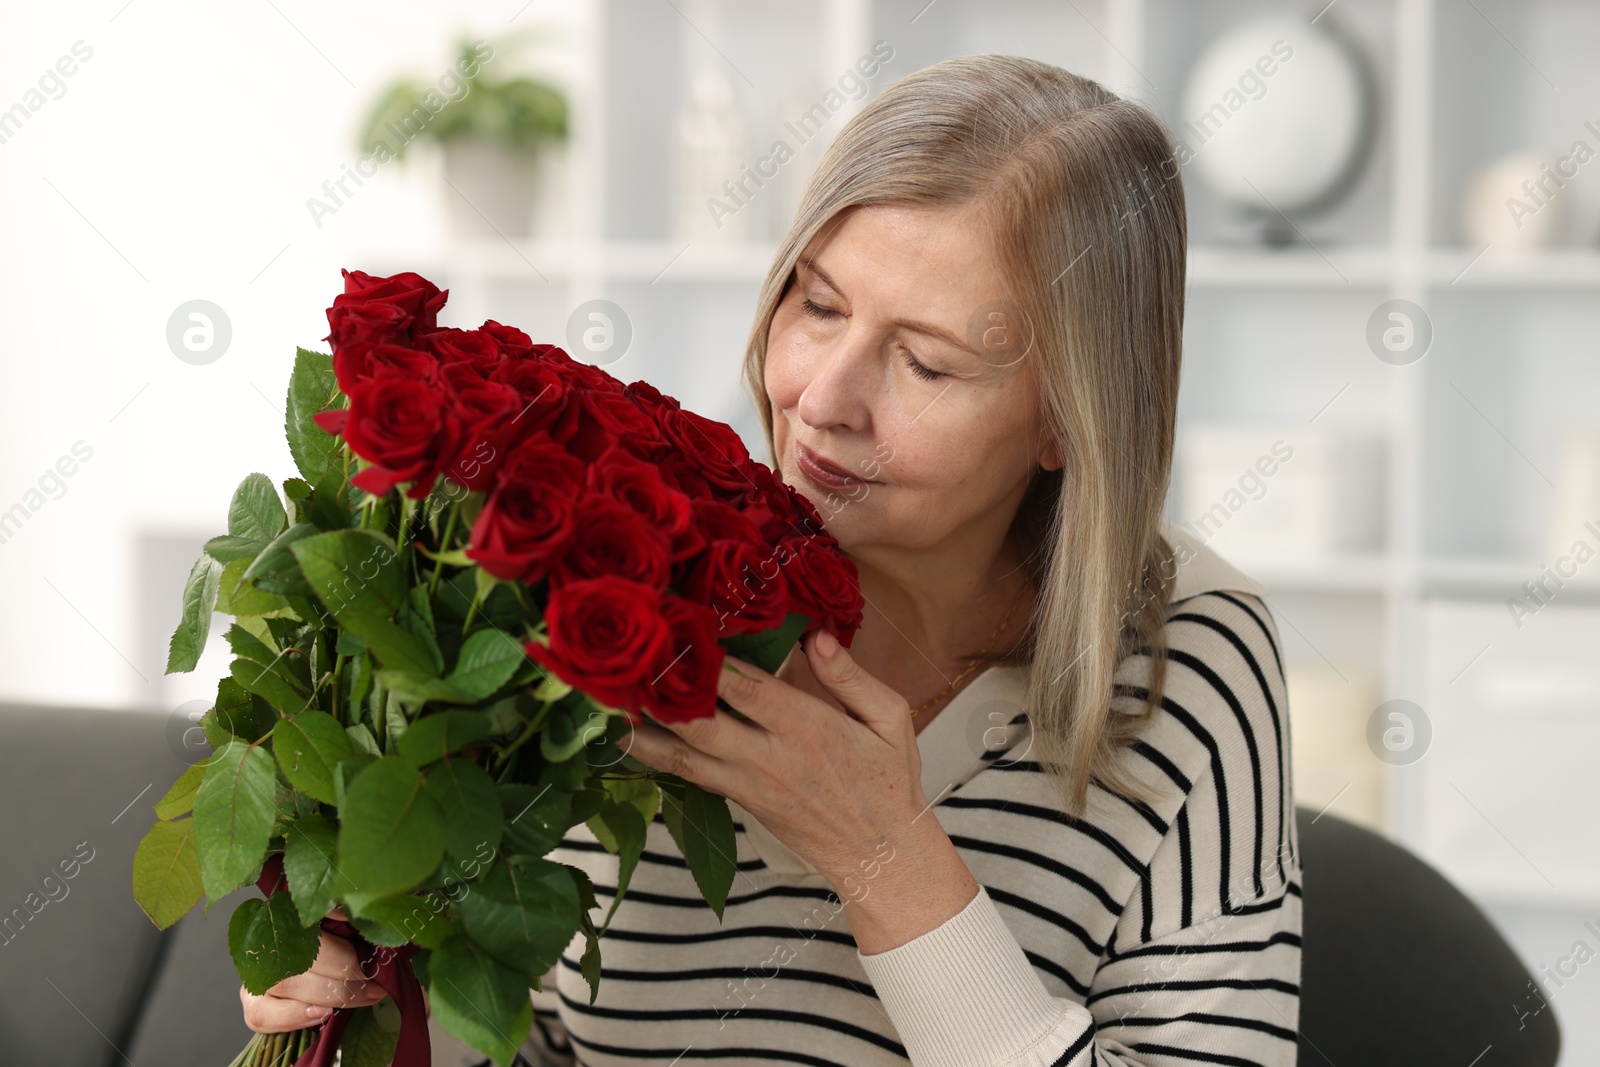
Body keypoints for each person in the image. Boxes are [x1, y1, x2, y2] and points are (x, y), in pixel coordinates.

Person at [241, 52, 1300, 1067]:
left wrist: (883, 856)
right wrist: (368, 998)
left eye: (926, 361)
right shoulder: (623, 570)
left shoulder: (1188, 662)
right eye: (817, 304)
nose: (820, 399)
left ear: (1068, 418)